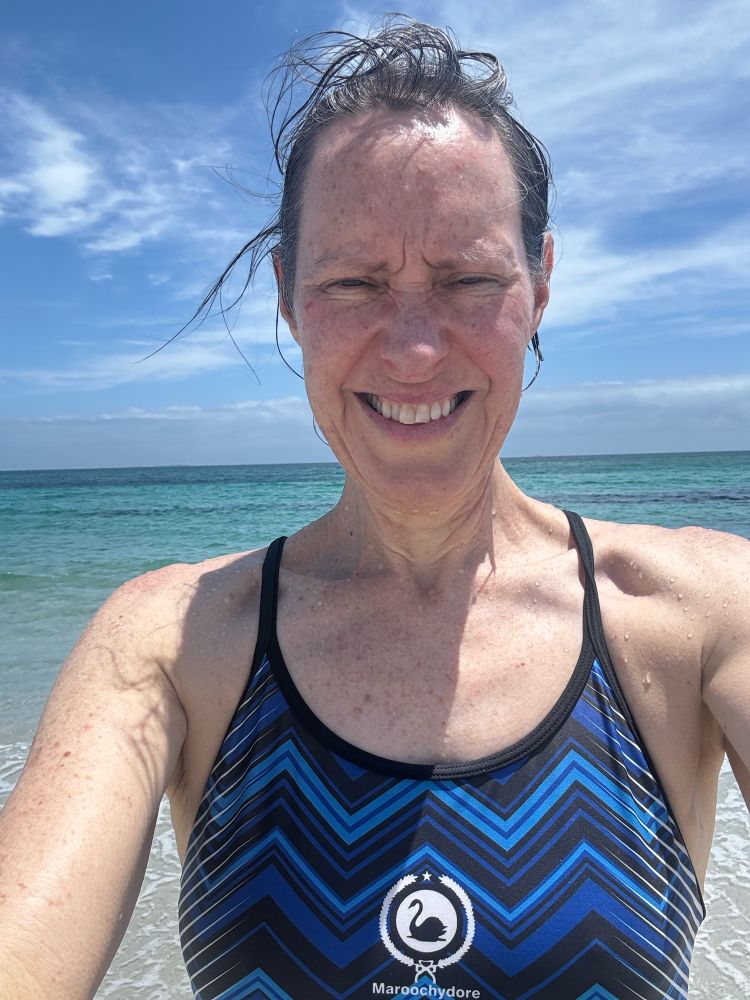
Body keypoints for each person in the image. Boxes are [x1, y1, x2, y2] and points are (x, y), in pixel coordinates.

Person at [1, 15, 748, 1000]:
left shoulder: (697, 615)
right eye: (353, 283)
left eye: (469, 280)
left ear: (542, 285)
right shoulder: (171, 645)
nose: (412, 350)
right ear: (287, 295)